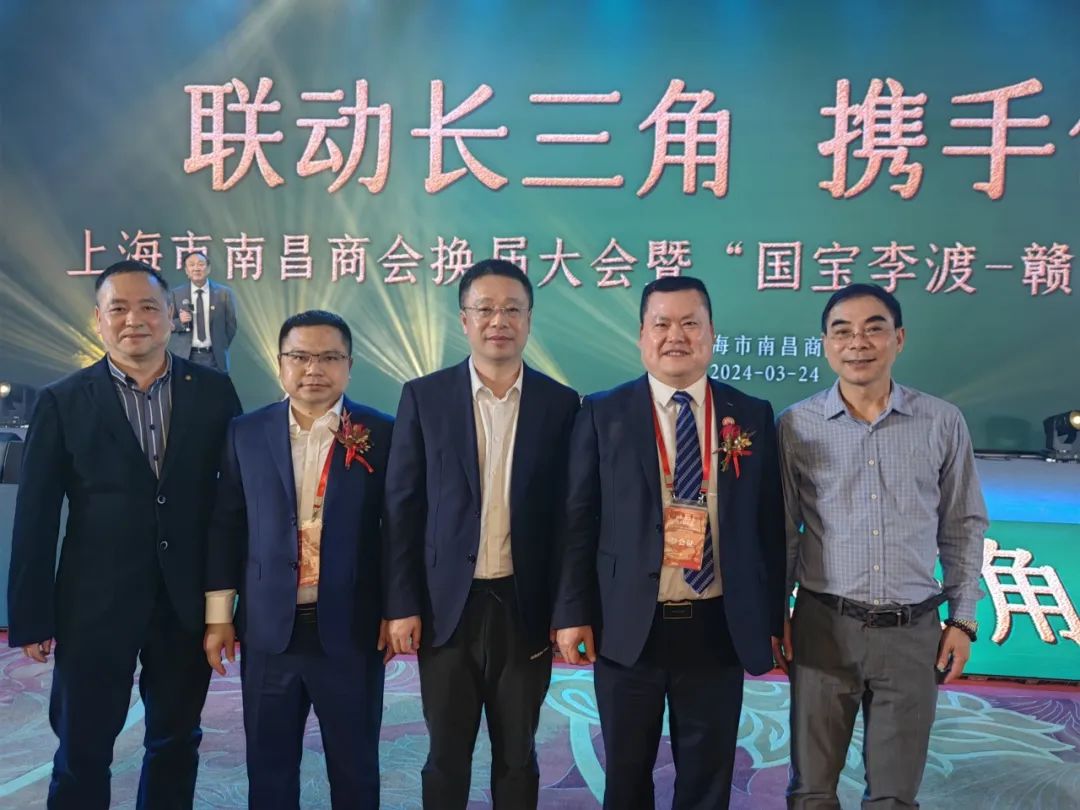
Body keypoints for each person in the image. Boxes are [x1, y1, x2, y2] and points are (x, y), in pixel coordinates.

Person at [7, 259, 242, 809]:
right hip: (93, 603)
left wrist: (228, 605)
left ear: (172, 316)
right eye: (118, 308)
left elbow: (233, 503)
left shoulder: (213, 392)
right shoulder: (63, 400)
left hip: (184, 602)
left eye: (148, 307)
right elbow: (36, 516)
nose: (134, 319)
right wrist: (32, 615)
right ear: (98, 319)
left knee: (176, 739)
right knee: (83, 745)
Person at [554, 275, 786, 809]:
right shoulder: (602, 413)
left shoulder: (750, 414)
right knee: (626, 773)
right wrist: (571, 611)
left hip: (717, 623)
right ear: (642, 335)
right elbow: (577, 522)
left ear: (712, 334)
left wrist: (774, 618)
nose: (675, 336)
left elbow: (769, 527)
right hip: (628, 623)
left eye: (690, 323)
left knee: (708, 777)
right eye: (661, 324)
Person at [774, 283, 988, 809]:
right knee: (811, 789)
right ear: (826, 344)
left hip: (912, 633)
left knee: (894, 796)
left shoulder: (941, 421)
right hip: (823, 628)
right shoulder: (796, 425)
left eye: (874, 329)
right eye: (842, 331)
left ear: (899, 338)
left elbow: (962, 525)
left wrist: (962, 619)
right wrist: (777, 611)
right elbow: (782, 531)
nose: (858, 343)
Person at [383, 259, 580, 808]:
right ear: (464, 320)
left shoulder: (561, 404)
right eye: (486, 309)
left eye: (512, 309)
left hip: (523, 605)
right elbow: (402, 509)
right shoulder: (424, 397)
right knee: (446, 753)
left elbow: (571, 519)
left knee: (517, 753)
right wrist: (401, 603)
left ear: (529, 319)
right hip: (446, 607)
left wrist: (567, 608)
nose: (499, 321)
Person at [203, 310, 393, 809]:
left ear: (349, 365)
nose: (314, 369)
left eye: (329, 357)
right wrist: (220, 617)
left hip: (351, 630)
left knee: (355, 767)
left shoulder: (381, 432)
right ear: (281, 363)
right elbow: (226, 526)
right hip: (269, 631)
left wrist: (395, 610)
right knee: (269, 769)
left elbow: (397, 533)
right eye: (301, 357)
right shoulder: (245, 432)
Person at [168, 250, 238, 373]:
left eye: (201, 264)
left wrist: (220, 345)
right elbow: (166, 324)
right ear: (186, 271)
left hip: (215, 358)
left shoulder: (224, 293)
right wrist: (180, 322)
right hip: (186, 357)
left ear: (208, 269)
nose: (196, 268)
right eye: (191, 265)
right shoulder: (176, 294)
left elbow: (231, 325)